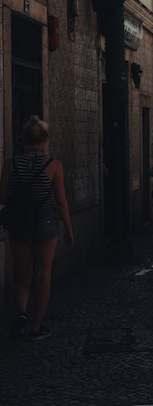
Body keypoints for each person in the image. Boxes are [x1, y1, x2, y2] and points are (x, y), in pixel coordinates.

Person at [0, 115, 74, 341]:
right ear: (45, 139)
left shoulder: (10, 164)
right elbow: (61, 201)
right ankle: (36, 327)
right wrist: (69, 229)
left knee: (22, 276)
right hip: (46, 223)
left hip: (20, 223)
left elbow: (2, 196)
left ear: (24, 139)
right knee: (43, 276)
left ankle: (22, 314)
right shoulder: (53, 165)